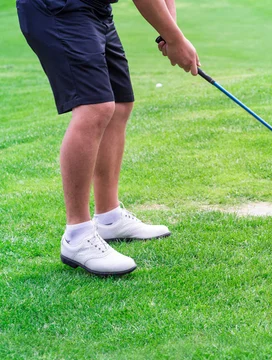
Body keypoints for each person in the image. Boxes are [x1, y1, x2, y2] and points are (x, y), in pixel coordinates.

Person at [16, 0, 198, 276]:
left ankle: (109, 217)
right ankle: (77, 235)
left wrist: (169, 33)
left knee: (120, 102)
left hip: (95, 8)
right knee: (94, 107)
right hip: (57, 8)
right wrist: (176, 39)